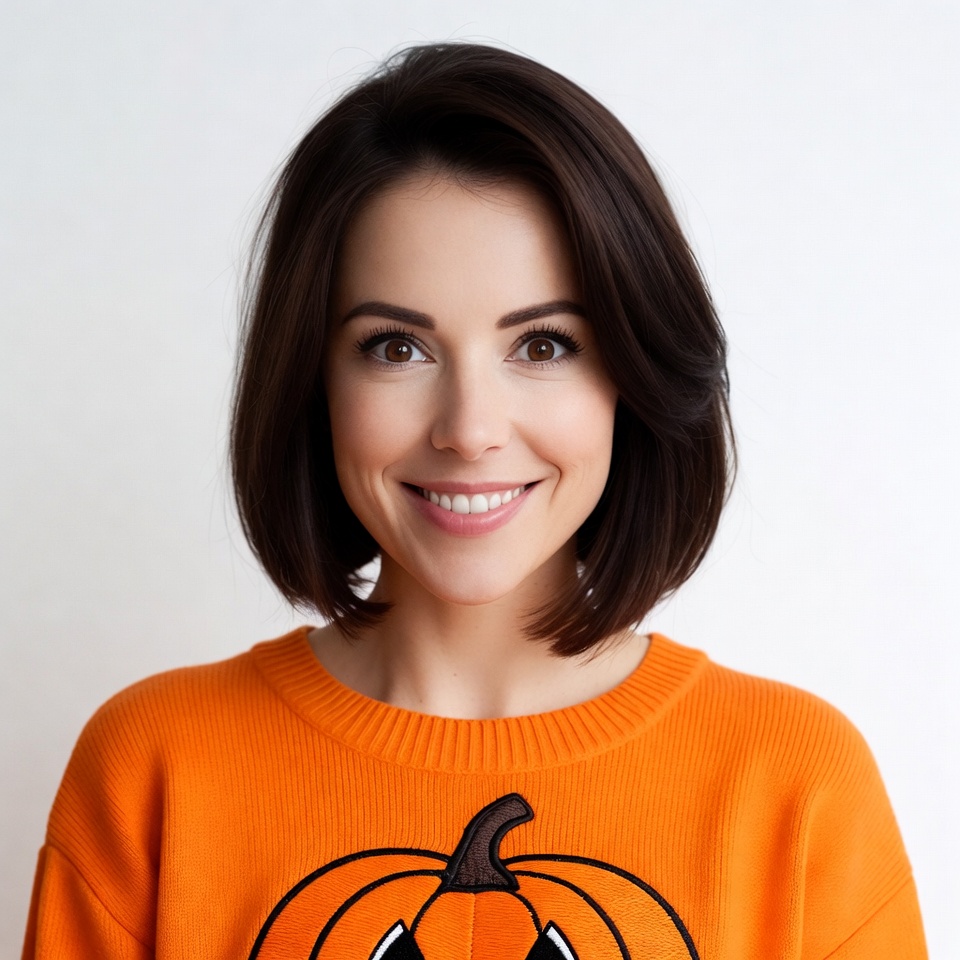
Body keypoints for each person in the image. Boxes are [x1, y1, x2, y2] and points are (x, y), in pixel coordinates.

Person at [22, 42, 926, 959]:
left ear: (631, 373)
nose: (469, 428)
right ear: (314, 381)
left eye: (542, 345)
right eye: (395, 348)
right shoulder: (155, 769)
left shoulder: (796, 786)